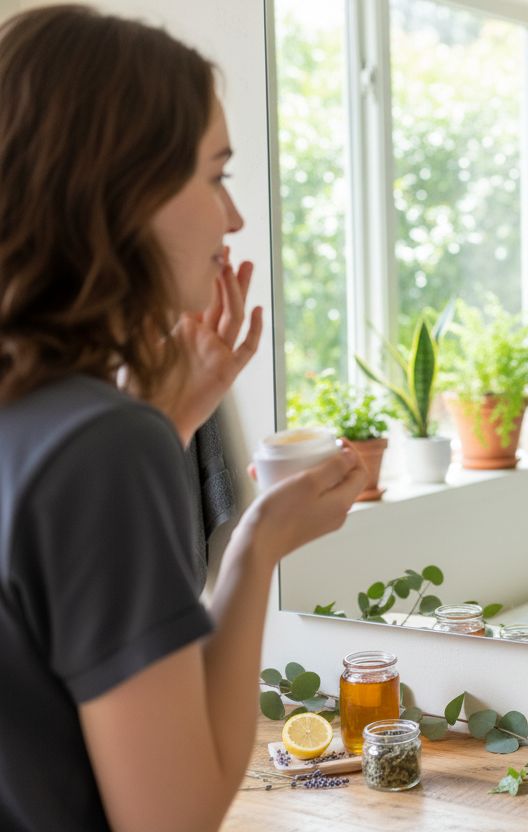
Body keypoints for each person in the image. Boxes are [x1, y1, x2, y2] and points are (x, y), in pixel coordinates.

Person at [0, 7, 365, 831]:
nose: (233, 220)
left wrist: (165, 420)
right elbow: (175, 817)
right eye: (216, 174)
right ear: (123, 190)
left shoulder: (50, 423)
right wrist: (257, 545)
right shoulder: (98, 448)